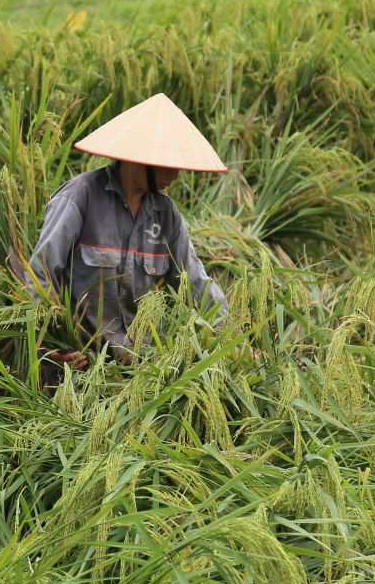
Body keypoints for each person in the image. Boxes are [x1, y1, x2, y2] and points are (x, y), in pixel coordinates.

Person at [13, 94, 227, 386]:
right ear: (141, 161)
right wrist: (50, 346)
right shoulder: (79, 199)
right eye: (168, 164)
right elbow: (40, 274)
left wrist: (232, 335)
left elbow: (195, 282)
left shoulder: (166, 215)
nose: (176, 175)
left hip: (140, 371)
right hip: (79, 370)